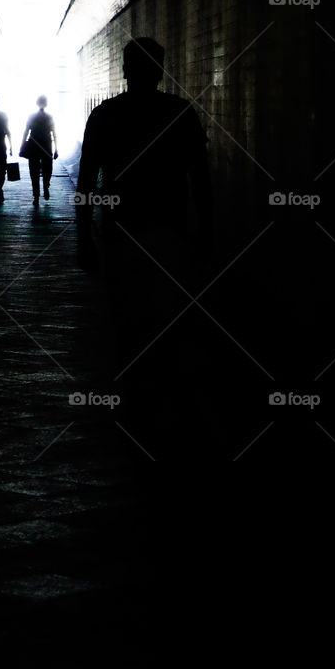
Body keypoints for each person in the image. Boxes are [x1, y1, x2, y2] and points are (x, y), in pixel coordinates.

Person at [75, 38, 213, 436]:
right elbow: (200, 179)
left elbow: (86, 181)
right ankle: (165, 401)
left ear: (124, 69)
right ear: (160, 70)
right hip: (170, 230)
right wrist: (207, 231)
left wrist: (83, 237)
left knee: (126, 314)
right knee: (167, 315)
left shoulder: (105, 116)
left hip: (120, 231)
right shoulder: (180, 113)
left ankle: (135, 393)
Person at [20, 95, 58, 205]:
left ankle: (36, 196)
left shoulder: (31, 116)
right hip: (46, 145)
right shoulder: (49, 117)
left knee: (34, 171)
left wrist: (22, 145)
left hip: (33, 146)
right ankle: (46, 185)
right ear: (46, 104)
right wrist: (56, 149)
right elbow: (54, 133)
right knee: (47, 169)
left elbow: (26, 132)